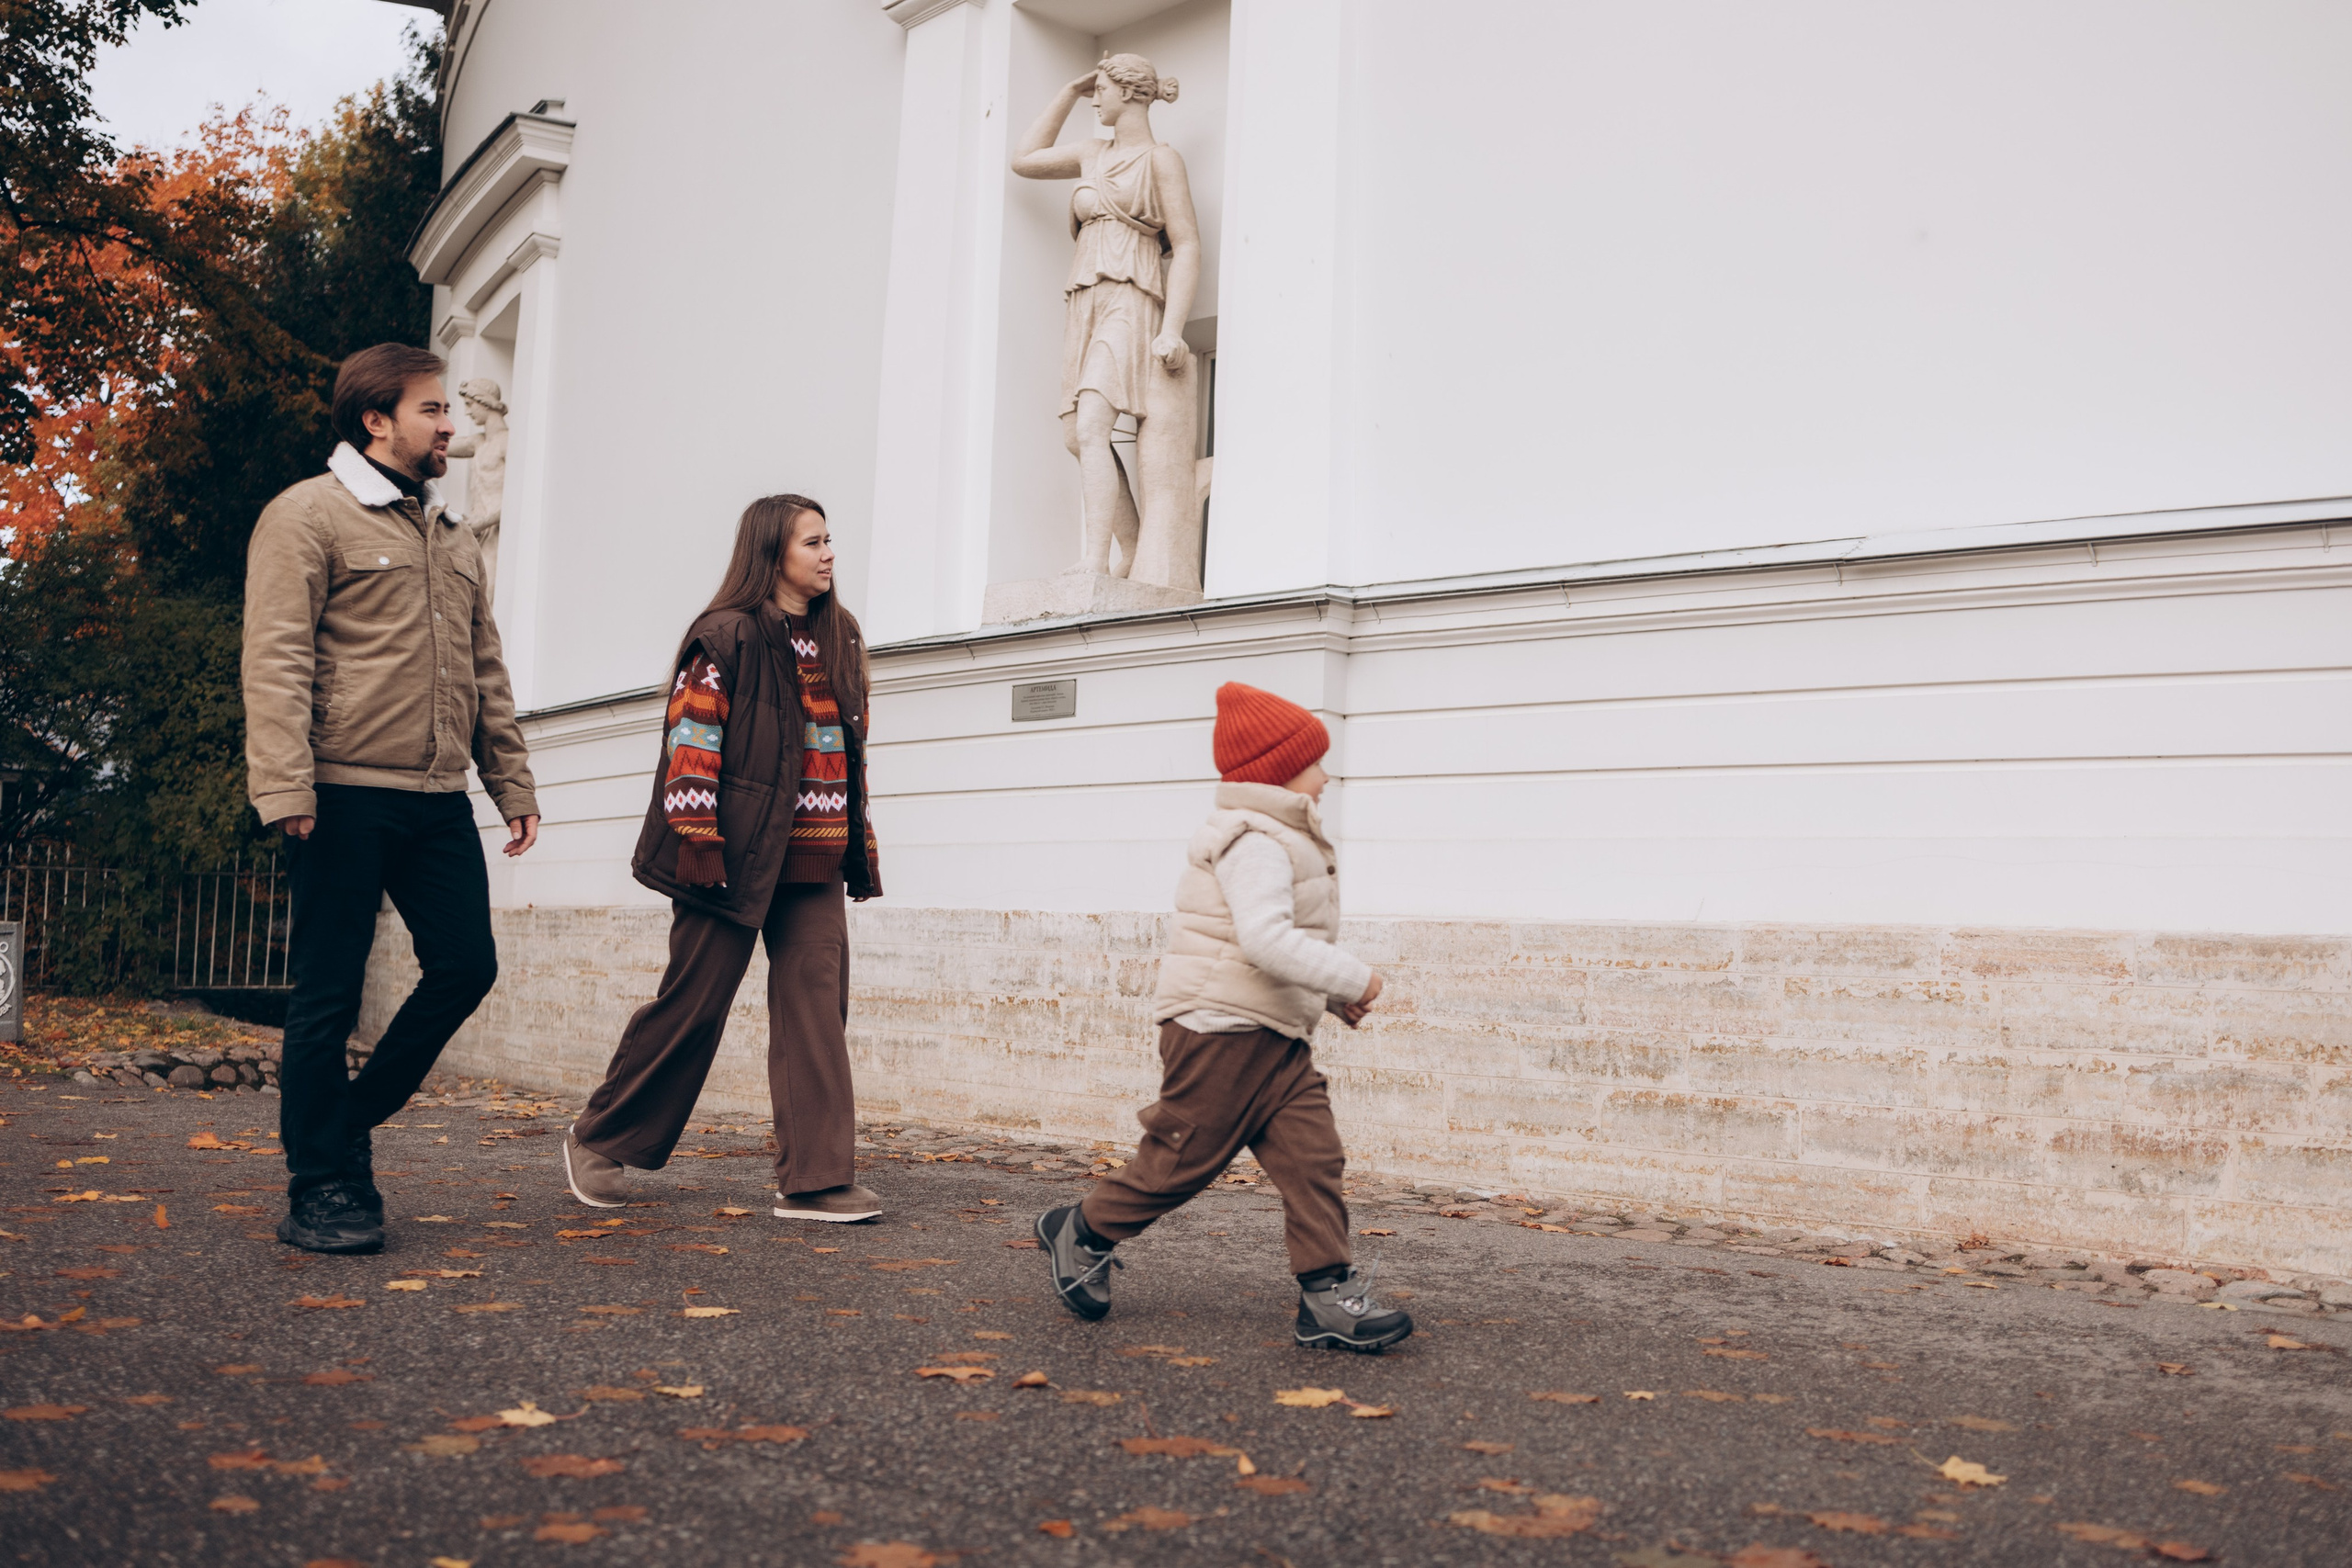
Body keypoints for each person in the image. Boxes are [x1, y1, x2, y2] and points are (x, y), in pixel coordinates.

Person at [242, 343, 539, 1256]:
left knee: (467, 965)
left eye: (447, 409)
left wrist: (510, 779)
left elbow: (485, 669)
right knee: (328, 994)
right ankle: (322, 1186)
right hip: (340, 793)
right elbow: (276, 657)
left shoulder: (449, 534)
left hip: (436, 795)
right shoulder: (308, 515)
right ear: (376, 419)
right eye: (431, 409)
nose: (449, 425)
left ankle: (342, 1122)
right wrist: (285, 781)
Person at [1035, 682, 1413, 1352]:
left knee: (1314, 1158)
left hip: (1276, 1034)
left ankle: (1326, 1296)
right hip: (1219, 1031)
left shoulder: (1283, 836)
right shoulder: (1254, 839)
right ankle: (1084, 1229)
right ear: (1277, 771)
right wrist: (1356, 977)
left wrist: (1330, 996)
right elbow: (1264, 940)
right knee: (1181, 1163)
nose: (1326, 776)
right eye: (1315, 763)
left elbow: (1269, 945)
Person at [562, 496, 886, 1223]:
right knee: (694, 1004)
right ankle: (599, 1137)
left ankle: (814, 1178)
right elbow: (692, 740)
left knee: (815, 1011)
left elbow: (848, 753)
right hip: (732, 855)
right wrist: (698, 838)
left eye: (829, 539)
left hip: (814, 859)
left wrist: (857, 846)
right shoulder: (727, 635)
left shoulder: (841, 636)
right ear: (772, 553)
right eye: (813, 542)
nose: (829, 553)